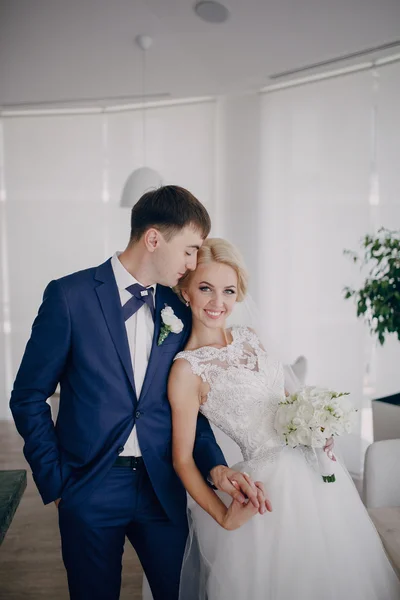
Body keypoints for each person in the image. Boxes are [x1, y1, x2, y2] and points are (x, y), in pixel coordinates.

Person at [9, 186, 269, 600]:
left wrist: (216, 467)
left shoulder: (180, 306)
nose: (191, 264)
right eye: (188, 250)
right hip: (89, 486)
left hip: (163, 487)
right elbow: (27, 396)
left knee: (179, 592)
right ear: (153, 239)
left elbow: (194, 407)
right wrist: (57, 483)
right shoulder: (69, 296)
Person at [169, 237, 400, 599]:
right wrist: (223, 516)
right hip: (268, 490)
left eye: (228, 291)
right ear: (185, 291)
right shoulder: (187, 369)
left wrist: (318, 426)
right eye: (205, 288)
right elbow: (182, 459)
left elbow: (289, 402)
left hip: (317, 476)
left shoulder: (251, 338)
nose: (218, 303)